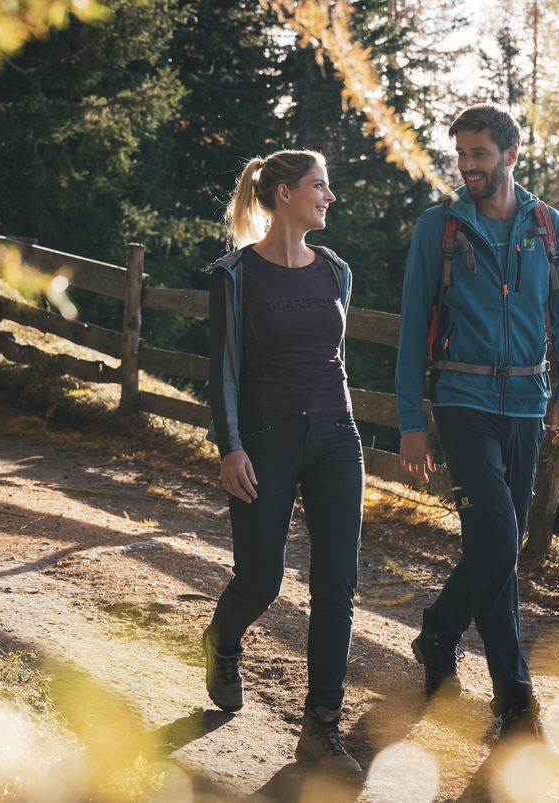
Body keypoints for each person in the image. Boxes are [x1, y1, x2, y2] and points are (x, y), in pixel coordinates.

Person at [395, 103, 559, 744]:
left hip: (528, 409)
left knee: (494, 544)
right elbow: (411, 329)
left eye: (479, 154)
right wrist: (410, 422)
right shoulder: (438, 229)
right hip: (461, 405)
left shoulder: (548, 228)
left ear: (509, 154)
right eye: (461, 155)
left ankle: (439, 632)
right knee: (501, 541)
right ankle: (515, 701)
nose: (467, 166)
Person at [201, 150, 365, 775]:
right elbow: (221, 371)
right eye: (321, 186)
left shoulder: (337, 271)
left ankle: (321, 727)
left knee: (336, 585)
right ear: (286, 193)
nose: (330, 196)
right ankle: (221, 640)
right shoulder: (234, 274)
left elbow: (336, 359)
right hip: (263, 441)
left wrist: (342, 428)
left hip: (335, 437)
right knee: (262, 579)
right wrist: (230, 445)